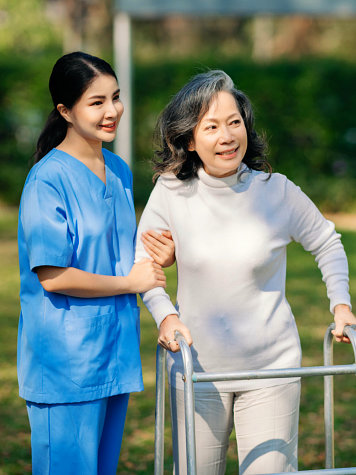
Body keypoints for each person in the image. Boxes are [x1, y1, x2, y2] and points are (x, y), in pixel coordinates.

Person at [135, 70, 356, 474]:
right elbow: (144, 264)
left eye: (234, 122)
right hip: (196, 369)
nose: (227, 136)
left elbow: (328, 242)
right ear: (189, 139)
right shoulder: (170, 192)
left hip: (272, 368)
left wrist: (341, 304)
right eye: (212, 126)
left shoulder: (277, 190)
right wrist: (165, 316)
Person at [17, 51, 174, 475]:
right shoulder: (46, 180)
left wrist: (162, 257)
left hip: (113, 354)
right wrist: (130, 283)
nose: (112, 111)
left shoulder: (119, 170)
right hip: (65, 364)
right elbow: (52, 277)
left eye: (116, 97)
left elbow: (129, 255)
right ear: (65, 111)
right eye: (96, 102)